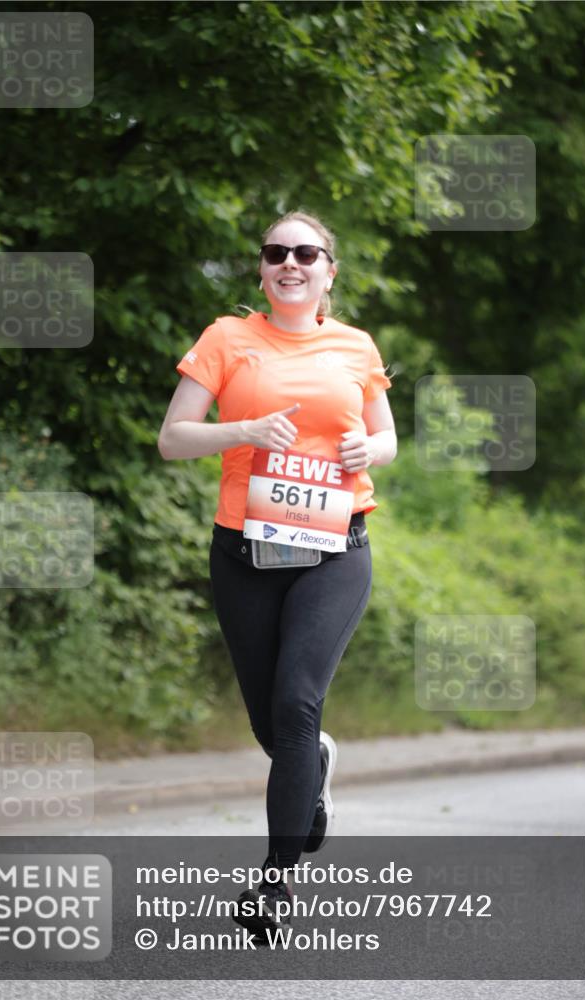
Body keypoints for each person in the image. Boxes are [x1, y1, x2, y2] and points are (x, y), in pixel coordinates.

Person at [158, 210, 397, 940]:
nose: (289, 262)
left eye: (305, 253)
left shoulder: (355, 346)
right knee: (274, 727)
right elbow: (172, 439)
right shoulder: (226, 340)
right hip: (246, 554)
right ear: (261, 270)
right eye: (275, 253)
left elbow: (385, 437)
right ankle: (313, 772)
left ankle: (272, 882)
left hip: (333, 551)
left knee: (296, 705)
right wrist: (242, 431)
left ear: (329, 271)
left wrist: (367, 451)